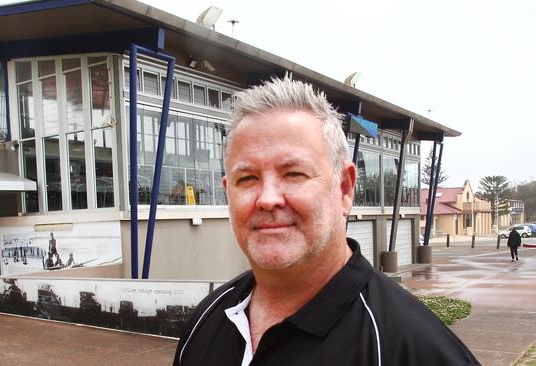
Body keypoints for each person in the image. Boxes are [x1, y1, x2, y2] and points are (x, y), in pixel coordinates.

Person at [173, 78, 479, 365]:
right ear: (229, 192)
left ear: (344, 188)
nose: (267, 198)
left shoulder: (411, 349)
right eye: (248, 178)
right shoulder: (206, 320)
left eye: (293, 174)